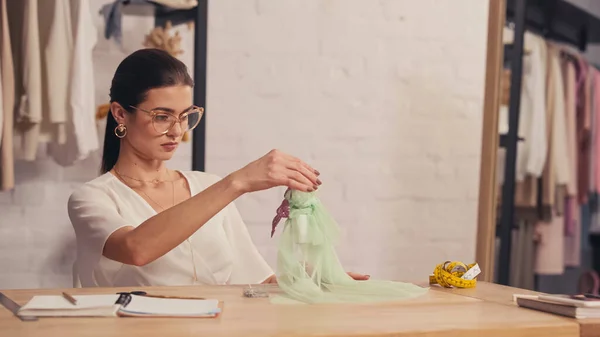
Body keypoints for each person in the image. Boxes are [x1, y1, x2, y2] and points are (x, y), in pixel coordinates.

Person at [68, 48, 368, 287]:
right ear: (121, 114)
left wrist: (315, 279)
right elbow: (136, 249)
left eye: (185, 115)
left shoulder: (205, 186)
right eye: (162, 116)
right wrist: (236, 182)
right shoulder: (92, 199)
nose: (177, 130)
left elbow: (255, 280)